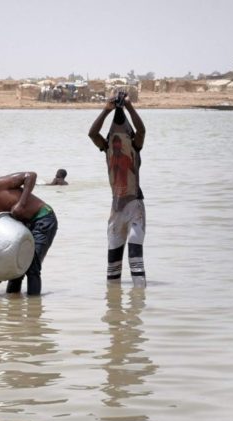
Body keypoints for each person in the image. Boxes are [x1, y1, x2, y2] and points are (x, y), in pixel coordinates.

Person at [88, 91, 147, 287]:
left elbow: (141, 131)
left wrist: (129, 107)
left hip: (134, 207)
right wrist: (106, 111)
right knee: (112, 267)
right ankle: (113, 307)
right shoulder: (106, 149)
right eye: (114, 139)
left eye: (121, 140)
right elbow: (92, 134)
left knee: (135, 258)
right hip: (116, 210)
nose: (118, 143)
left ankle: (138, 304)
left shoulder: (135, 147)